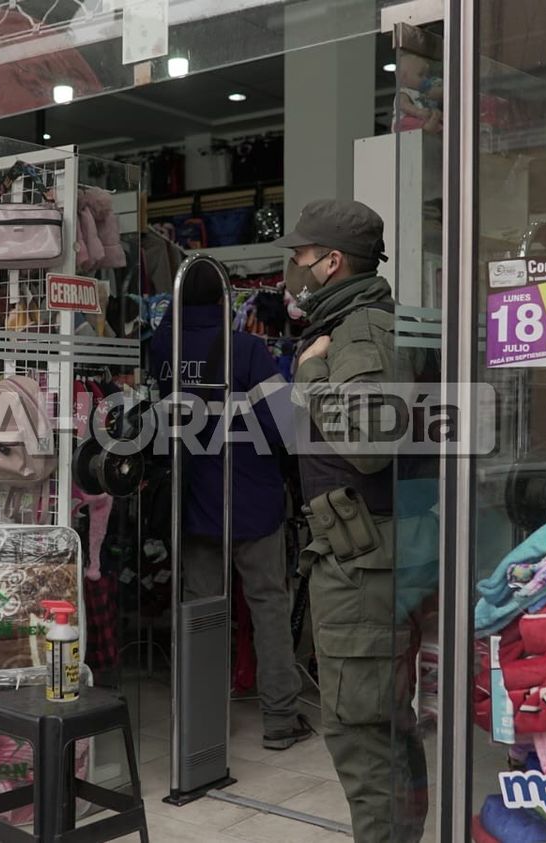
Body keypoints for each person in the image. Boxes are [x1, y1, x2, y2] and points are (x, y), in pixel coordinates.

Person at [274, 200, 427, 842]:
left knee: (362, 735)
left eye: (301, 258)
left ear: (333, 262)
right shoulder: (352, 325)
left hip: (366, 562)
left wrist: (308, 374)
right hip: (365, 553)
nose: (293, 270)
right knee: (378, 729)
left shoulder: (361, 331)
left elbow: (369, 441)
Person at [148, 261, 313, 751]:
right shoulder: (246, 350)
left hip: (193, 505)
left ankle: (201, 723)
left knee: (201, 613)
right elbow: (283, 423)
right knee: (268, 606)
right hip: (251, 500)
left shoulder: (162, 348)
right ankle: (280, 720)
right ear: (224, 299)